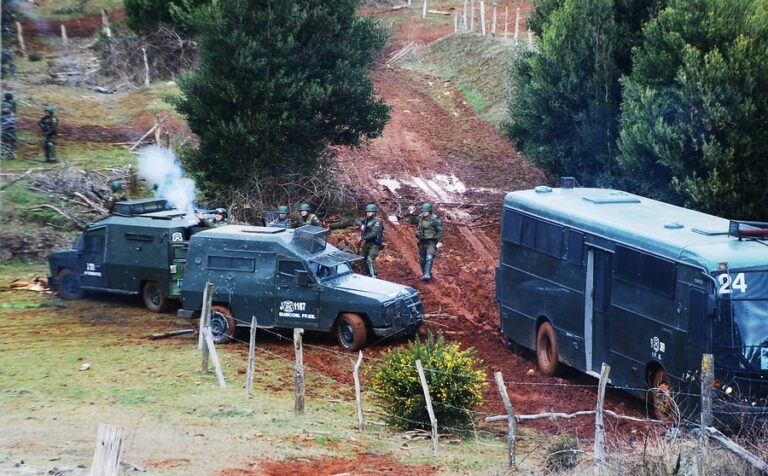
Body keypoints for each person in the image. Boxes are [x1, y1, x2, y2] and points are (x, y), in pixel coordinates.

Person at [410, 202, 443, 282]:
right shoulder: (420, 218)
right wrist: (411, 214)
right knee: (422, 259)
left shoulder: (434, 220)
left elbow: (440, 230)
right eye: (423, 211)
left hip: (431, 242)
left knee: (429, 257)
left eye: (426, 211)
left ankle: (427, 274)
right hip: (422, 241)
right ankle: (425, 273)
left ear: (429, 211)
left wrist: (440, 241)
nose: (424, 213)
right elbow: (412, 221)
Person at [359, 204, 384, 278]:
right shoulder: (367, 219)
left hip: (375, 244)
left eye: (369, 212)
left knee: (370, 259)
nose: (368, 213)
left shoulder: (377, 222)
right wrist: (361, 225)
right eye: (367, 212)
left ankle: (373, 276)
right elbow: (357, 220)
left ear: (374, 212)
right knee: (362, 258)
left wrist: (363, 238)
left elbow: (374, 233)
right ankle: (366, 274)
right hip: (367, 242)